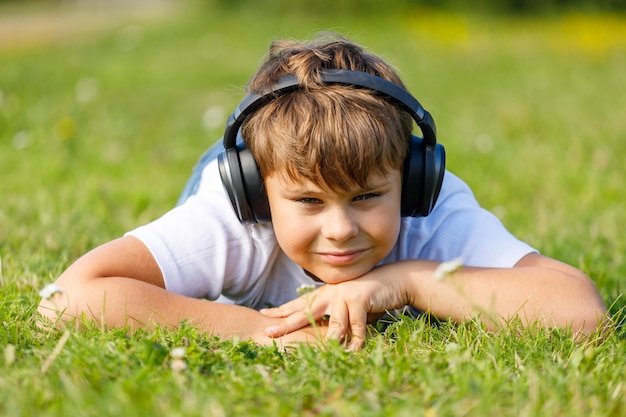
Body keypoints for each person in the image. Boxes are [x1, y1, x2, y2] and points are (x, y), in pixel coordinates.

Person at [38, 34, 607, 350]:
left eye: (365, 198)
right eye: (310, 202)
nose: (340, 229)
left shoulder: (430, 207)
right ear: (258, 194)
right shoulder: (235, 218)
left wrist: (405, 281)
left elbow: (582, 313)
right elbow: (66, 301)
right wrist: (262, 331)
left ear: (412, 181)